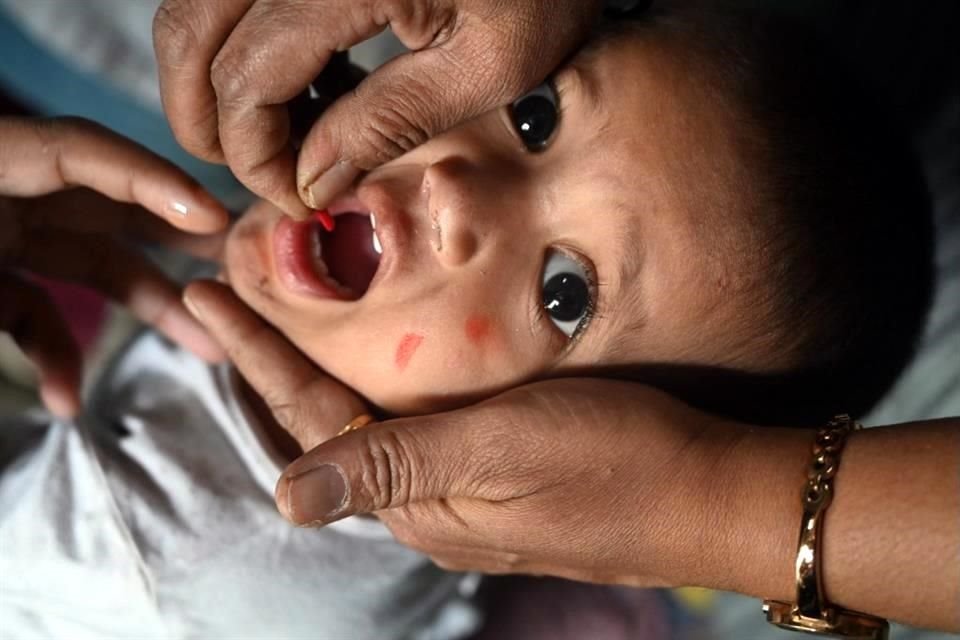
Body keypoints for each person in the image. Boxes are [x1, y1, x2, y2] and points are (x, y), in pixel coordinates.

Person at [5, 6, 954, 638]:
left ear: (574, 489)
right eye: (536, 118)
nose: (459, 193)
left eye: (565, 295)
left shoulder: (162, 559)